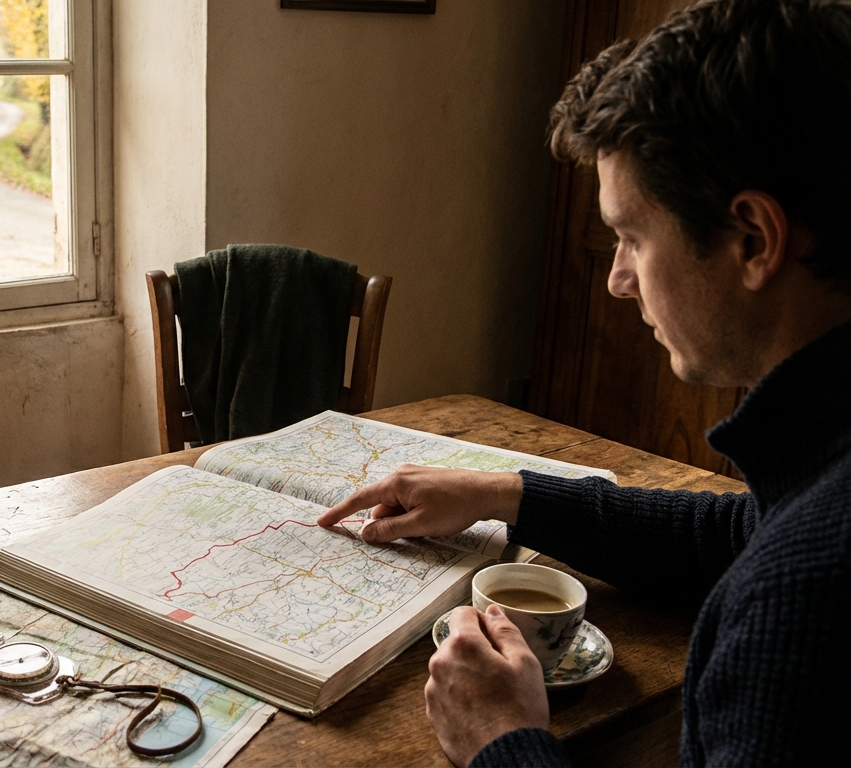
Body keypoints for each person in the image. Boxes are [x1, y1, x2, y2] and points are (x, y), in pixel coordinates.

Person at [316, 0, 851, 765]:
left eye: (632, 236)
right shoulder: (819, 480)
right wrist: (508, 497)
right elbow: (741, 534)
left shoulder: (801, 609)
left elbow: (779, 558)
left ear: (754, 240)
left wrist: (502, 741)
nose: (617, 281)